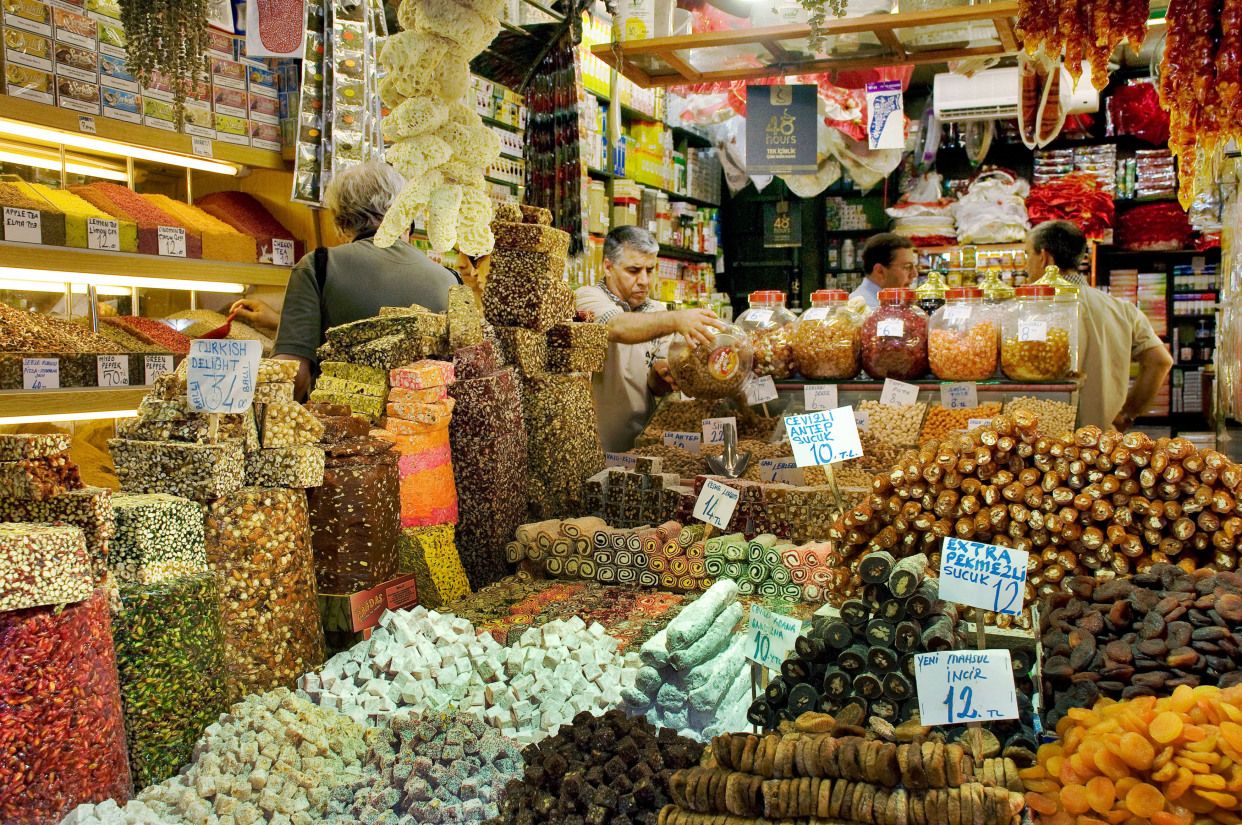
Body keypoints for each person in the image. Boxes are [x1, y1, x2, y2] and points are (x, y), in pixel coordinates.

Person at [230, 160, 459, 399]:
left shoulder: (319, 266)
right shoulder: (449, 279)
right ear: (406, 213)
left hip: (342, 428)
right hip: (430, 430)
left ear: (340, 222)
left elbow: (295, 375)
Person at [575, 226, 727, 452]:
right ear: (608, 267)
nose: (644, 280)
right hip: (594, 447)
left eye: (650, 270)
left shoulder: (657, 311)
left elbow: (655, 386)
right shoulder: (587, 297)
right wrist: (676, 319)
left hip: (643, 448)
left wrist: (665, 373)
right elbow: (615, 327)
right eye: (634, 270)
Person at [1025, 220, 1173, 432]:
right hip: (1100, 445)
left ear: (1044, 257)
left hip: (1040, 441)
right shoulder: (1122, 310)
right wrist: (1127, 413)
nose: (1025, 265)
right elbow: (1160, 361)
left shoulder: (1025, 310)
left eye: (1027, 254)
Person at [850, 233, 918, 308]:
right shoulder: (866, 310)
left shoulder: (893, 303)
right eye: (907, 267)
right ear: (880, 271)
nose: (914, 274)